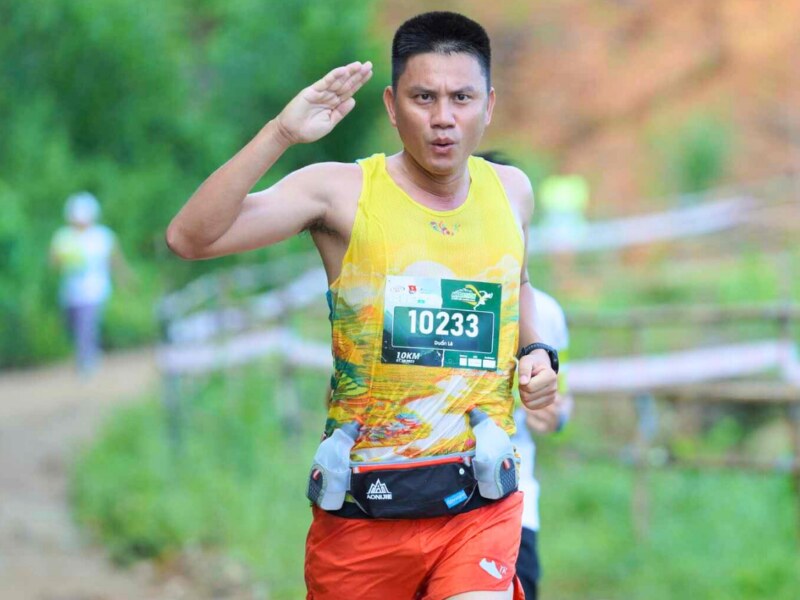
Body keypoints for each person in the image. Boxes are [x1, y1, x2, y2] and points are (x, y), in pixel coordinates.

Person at [167, 11, 558, 600]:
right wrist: (280, 134)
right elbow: (190, 238)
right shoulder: (340, 192)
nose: (444, 117)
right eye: (423, 98)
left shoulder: (512, 192)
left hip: (479, 504)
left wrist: (537, 351)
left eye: (461, 97)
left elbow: (517, 280)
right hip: (365, 507)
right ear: (392, 106)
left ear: (489, 105)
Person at [511, 289, 572, 600]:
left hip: (513, 497)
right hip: (410, 493)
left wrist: (555, 416)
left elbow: (563, 397)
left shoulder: (547, 311)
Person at [50, 192, 124, 375]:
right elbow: (53, 262)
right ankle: (89, 353)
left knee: (87, 325)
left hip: (94, 291)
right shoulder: (64, 237)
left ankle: (86, 361)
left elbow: (115, 261)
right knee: (73, 326)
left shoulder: (102, 236)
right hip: (70, 292)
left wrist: (124, 279)